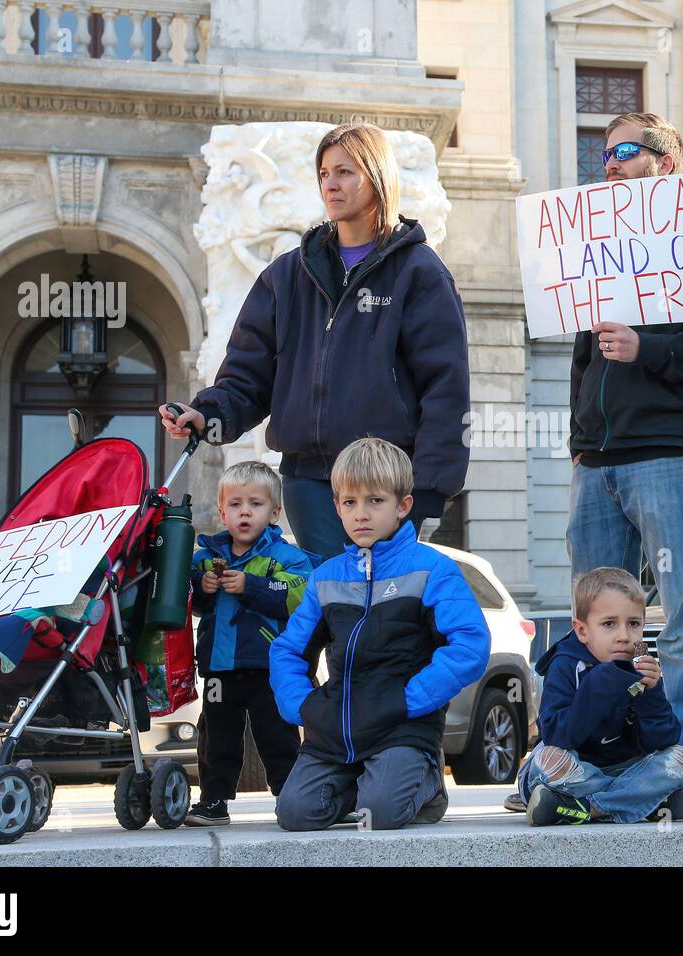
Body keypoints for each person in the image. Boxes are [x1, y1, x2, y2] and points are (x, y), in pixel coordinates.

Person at [159, 123, 471, 561]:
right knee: (327, 609)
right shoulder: (287, 275)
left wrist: (429, 490)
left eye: (344, 172)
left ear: (377, 176)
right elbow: (248, 375)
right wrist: (207, 415)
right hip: (307, 480)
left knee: (375, 613)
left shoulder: (420, 273)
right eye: (324, 173)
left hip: (383, 483)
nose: (330, 183)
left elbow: (446, 387)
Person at [566, 111, 683, 809]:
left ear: (667, 165)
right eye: (604, 153)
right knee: (596, 623)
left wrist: (650, 350)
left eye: (627, 151)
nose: (609, 164)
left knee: (680, 618)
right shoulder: (594, 248)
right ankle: (592, 763)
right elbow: (585, 360)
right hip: (597, 459)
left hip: (672, 451)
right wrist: (582, 440)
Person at [270, 438, 490, 831]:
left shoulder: (431, 569)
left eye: (375, 501)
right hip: (336, 729)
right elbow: (287, 650)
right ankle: (368, 783)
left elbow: (470, 644)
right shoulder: (326, 577)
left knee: (381, 815)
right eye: (350, 502)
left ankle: (425, 783)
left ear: (402, 506)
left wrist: (409, 700)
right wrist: (302, 707)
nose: (361, 514)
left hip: (401, 727)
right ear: (336, 507)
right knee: (294, 814)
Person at [184, 461, 314, 826]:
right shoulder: (205, 557)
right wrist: (202, 590)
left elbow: (300, 595)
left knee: (278, 735)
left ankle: (290, 796)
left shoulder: (287, 557)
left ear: (274, 512)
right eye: (236, 504)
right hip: (219, 666)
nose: (245, 512)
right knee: (216, 738)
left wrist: (251, 586)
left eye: (255, 504)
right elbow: (186, 603)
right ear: (223, 512)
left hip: (268, 665)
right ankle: (213, 800)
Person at [519, 567, 683, 826]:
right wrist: (599, 684)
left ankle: (585, 808)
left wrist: (652, 693)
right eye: (609, 624)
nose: (624, 636)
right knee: (548, 760)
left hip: (624, 768)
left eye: (634, 624)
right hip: (577, 769)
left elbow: (663, 740)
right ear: (582, 631)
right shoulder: (566, 664)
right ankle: (645, 801)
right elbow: (557, 736)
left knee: (680, 759)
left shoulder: (641, 662)